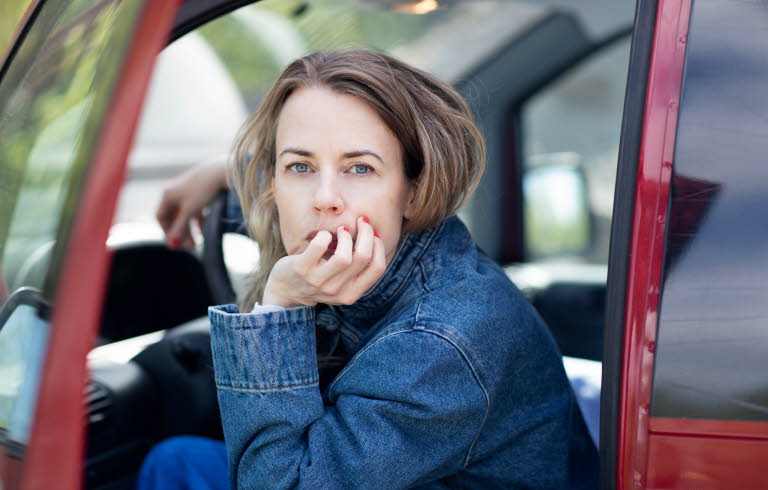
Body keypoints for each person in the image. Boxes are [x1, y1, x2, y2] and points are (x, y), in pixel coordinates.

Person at [140, 49, 598, 489]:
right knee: (176, 462)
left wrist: (279, 309)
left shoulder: (439, 341)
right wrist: (221, 173)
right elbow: (293, 195)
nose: (323, 198)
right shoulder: (367, 229)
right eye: (299, 165)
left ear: (415, 191)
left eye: (359, 168)